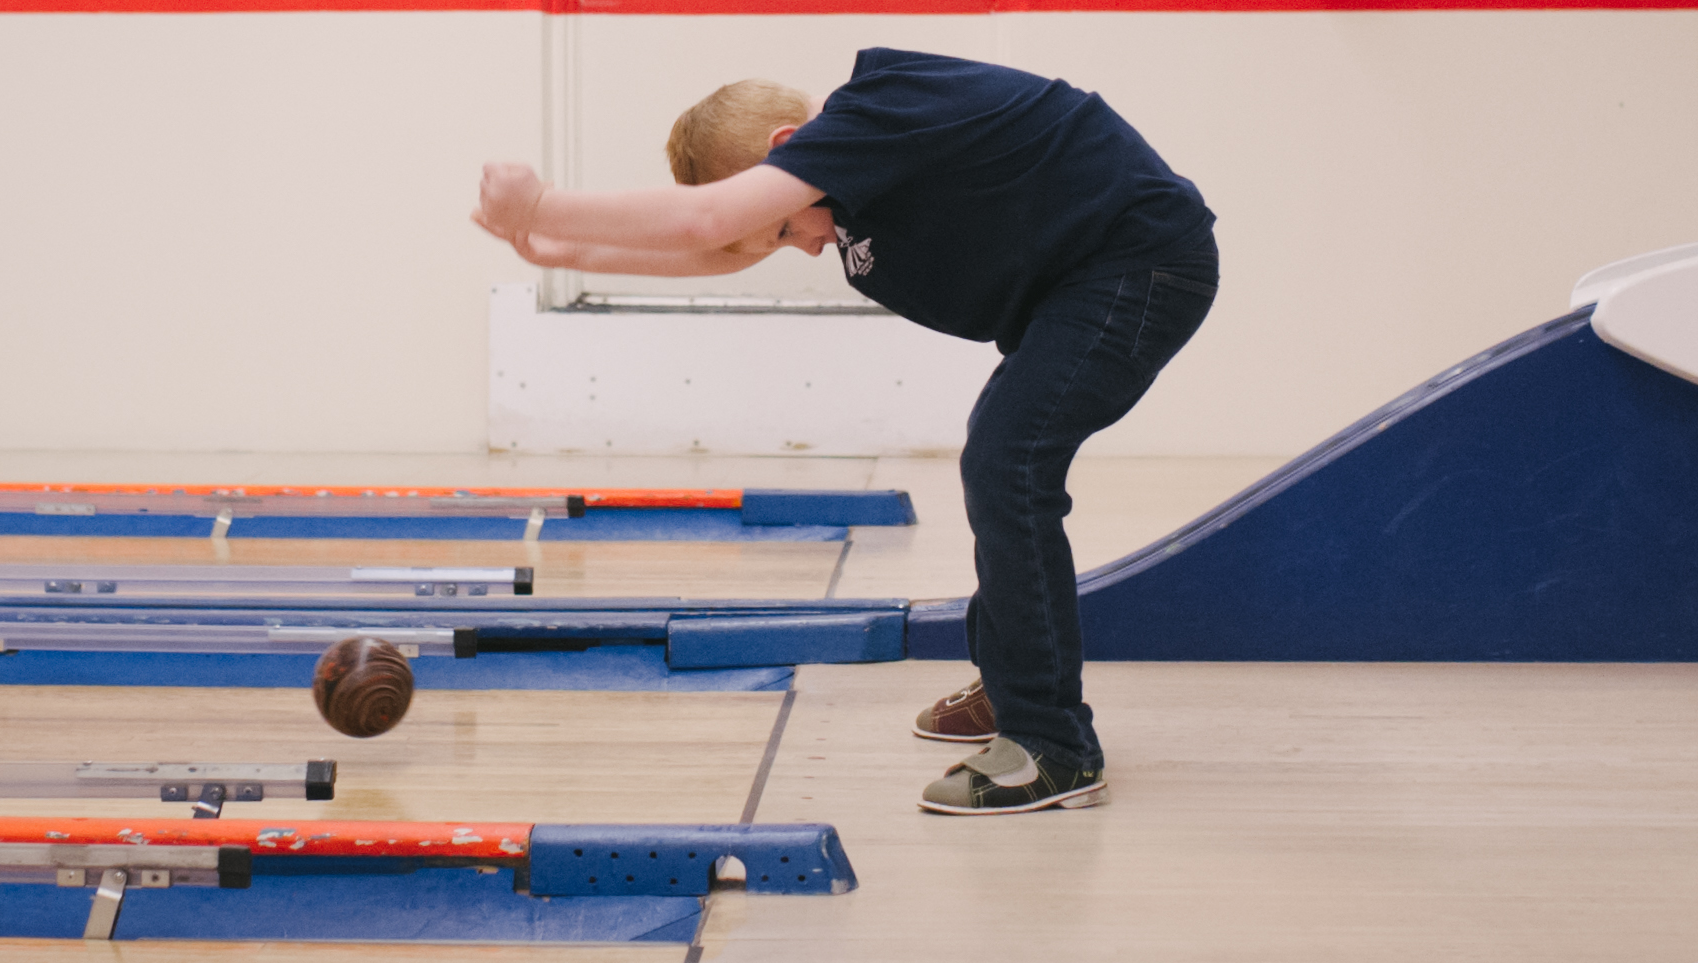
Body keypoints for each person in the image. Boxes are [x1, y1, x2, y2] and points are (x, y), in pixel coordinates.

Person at [468, 49, 1216, 817]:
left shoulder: (880, 109)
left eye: (789, 225)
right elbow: (725, 246)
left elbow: (711, 219)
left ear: (788, 145)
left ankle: (1051, 745)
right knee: (999, 456)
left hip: (1142, 260)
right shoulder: (847, 178)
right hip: (1090, 278)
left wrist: (545, 204)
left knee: (1007, 460)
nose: (804, 245)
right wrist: (561, 250)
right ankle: (1015, 683)